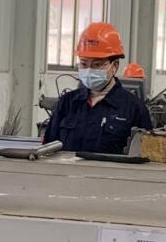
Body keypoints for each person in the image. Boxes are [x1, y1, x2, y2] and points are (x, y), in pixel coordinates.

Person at [43, 23, 152, 154]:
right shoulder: (67, 103)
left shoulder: (134, 108)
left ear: (114, 66)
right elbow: (47, 149)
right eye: (84, 64)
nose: (89, 70)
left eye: (97, 64)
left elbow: (146, 154)